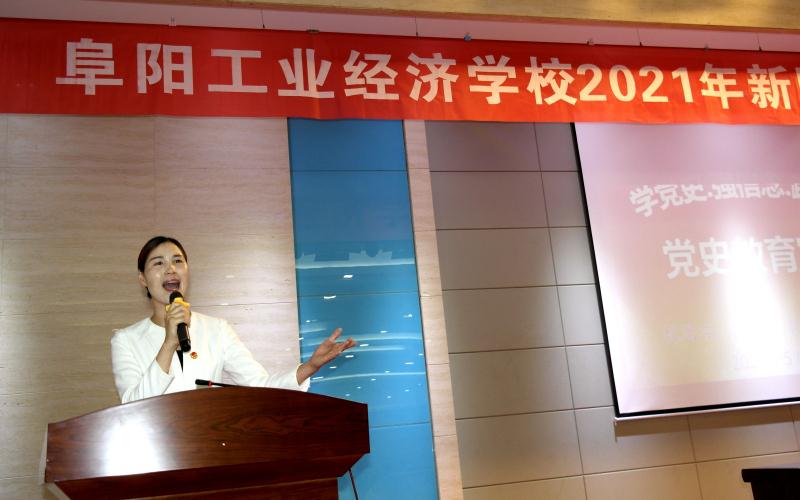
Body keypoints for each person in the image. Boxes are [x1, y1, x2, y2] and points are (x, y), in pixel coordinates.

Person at [111, 236, 355, 403]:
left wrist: (309, 367)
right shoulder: (126, 340)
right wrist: (169, 343)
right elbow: (133, 405)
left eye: (177, 261)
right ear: (142, 279)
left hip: (210, 449)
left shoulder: (216, 330)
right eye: (158, 263)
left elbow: (259, 385)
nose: (170, 269)